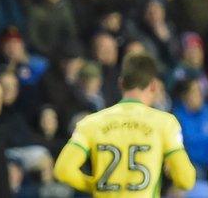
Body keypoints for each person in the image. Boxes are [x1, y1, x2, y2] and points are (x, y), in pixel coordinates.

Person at [53, 52, 196, 196]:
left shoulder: (91, 123)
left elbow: (63, 170)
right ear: (153, 86)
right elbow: (186, 180)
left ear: (121, 83)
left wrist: (94, 186)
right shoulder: (165, 123)